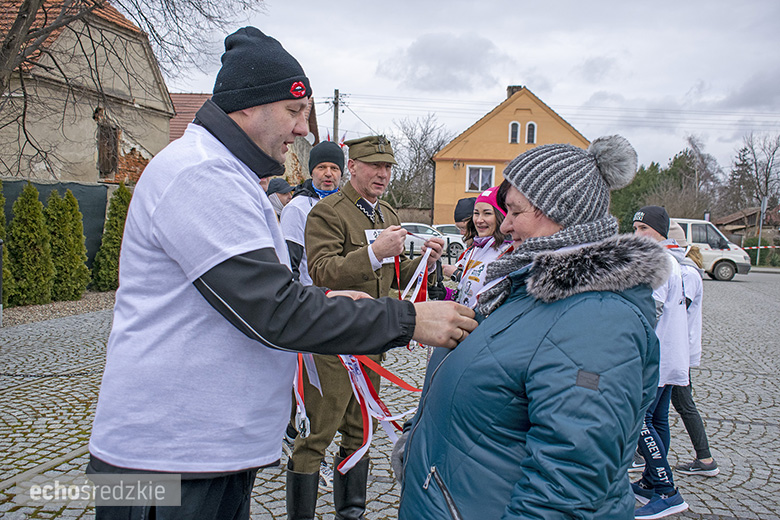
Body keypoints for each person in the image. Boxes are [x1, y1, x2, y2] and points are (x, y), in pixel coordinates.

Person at [86, 27, 476, 520]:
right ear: (247, 106)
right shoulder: (202, 174)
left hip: (203, 451)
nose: (303, 130)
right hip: (166, 461)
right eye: (294, 111)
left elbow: (269, 293)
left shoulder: (229, 173)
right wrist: (407, 320)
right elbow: (273, 310)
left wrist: (349, 304)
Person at [399, 136, 670, 519]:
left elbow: (571, 484)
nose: (505, 225)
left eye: (513, 211)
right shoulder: (526, 285)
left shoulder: (598, 319)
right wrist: (418, 443)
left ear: (558, 210)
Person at [285, 135, 445, 520]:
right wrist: (373, 253)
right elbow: (322, 271)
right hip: (331, 339)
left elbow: (392, 274)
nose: (383, 173)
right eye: (374, 165)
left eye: (388, 166)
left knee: (360, 431)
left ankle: (351, 513)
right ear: (352, 167)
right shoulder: (328, 213)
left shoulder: (388, 214)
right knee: (317, 436)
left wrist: (429, 261)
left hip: (370, 338)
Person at [632, 206, 691, 518]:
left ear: (659, 231)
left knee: (641, 422)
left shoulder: (658, 261)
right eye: (635, 228)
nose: (637, 234)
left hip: (655, 358)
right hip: (670, 356)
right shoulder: (671, 260)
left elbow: (648, 314)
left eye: (643, 228)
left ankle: (667, 491)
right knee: (656, 421)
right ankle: (652, 481)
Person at [667, 222, 720, 477]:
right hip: (677, 349)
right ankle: (705, 458)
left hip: (678, 350)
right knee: (677, 403)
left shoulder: (686, 273)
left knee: (683, 404)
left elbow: (676, 310)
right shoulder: (687, 270)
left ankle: (706, 458)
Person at [442, 185, 512, 307]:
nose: (479, 220)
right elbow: (469, 293)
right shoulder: (475, 250)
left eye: (487, 213)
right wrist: (446, 295)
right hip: (468, 323)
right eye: (476, 213)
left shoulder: (510, 252)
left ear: (501, 216)